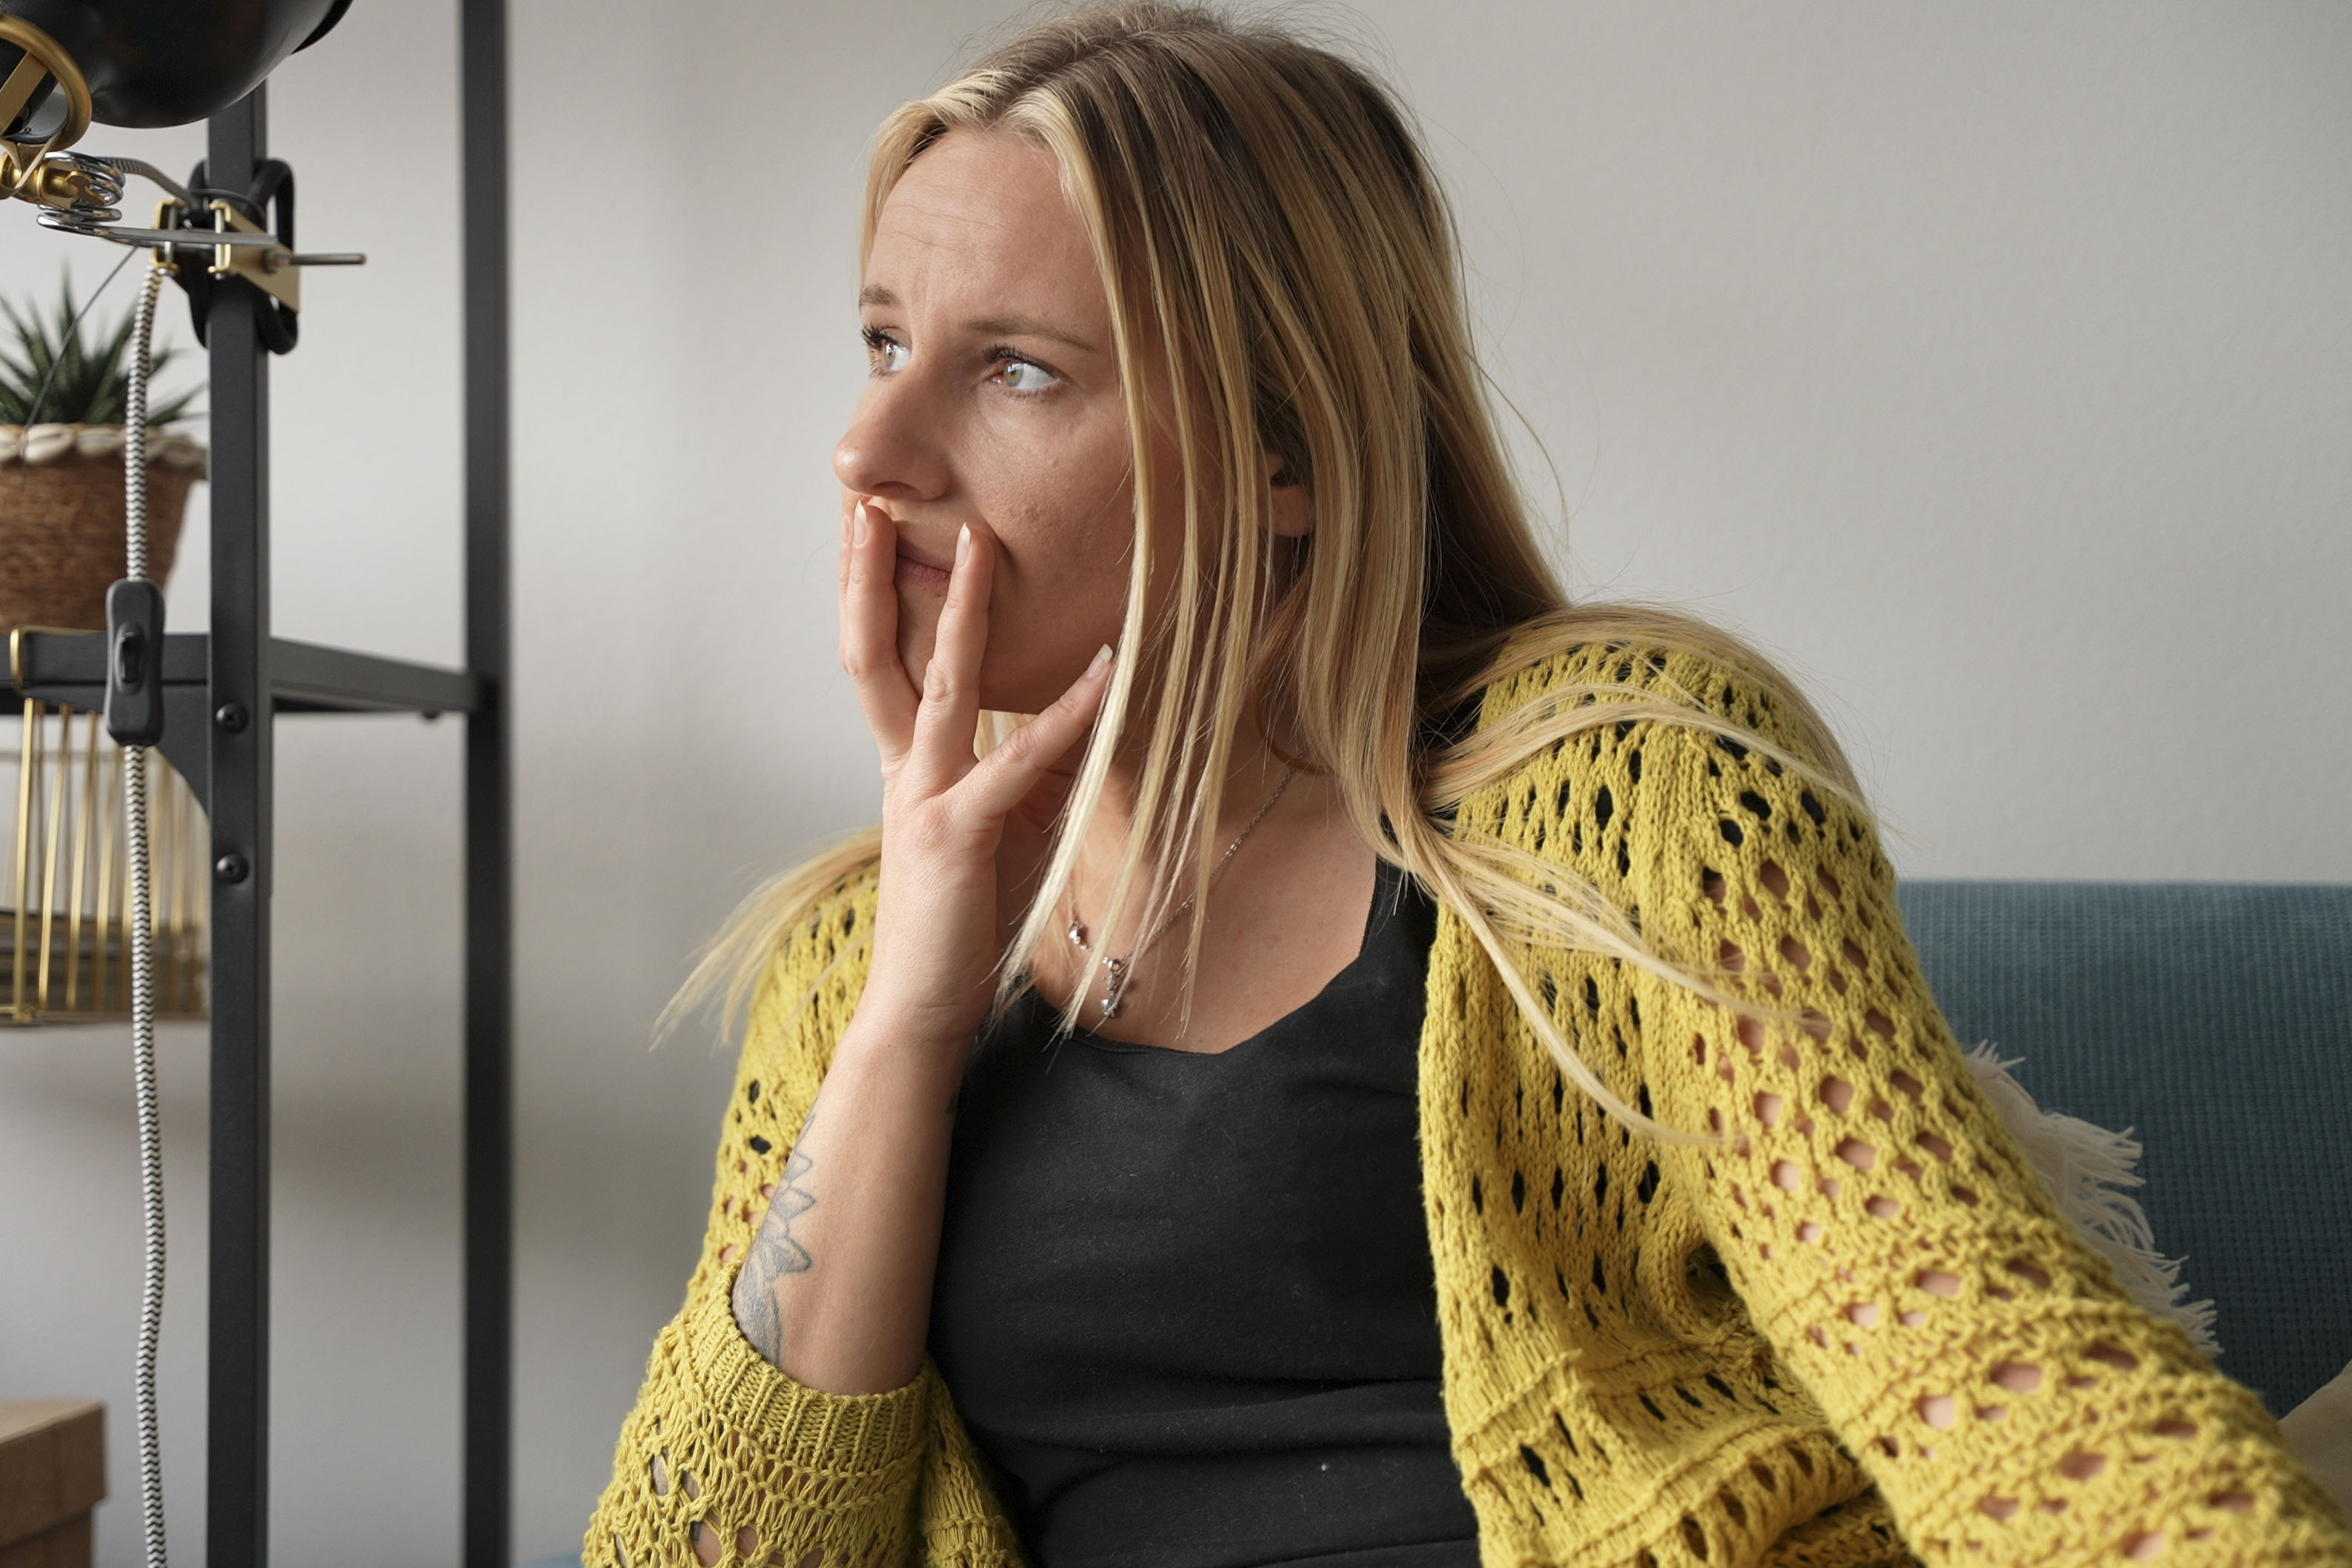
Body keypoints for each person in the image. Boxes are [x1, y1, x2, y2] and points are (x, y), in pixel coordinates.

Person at [586, 6, 2352, 1565]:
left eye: (1016, 369)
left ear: (1285, 448)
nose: (867, 451)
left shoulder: (1640, 783)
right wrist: (910, 1000)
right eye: (886, 342)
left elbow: (1968, 1338)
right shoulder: (850, 956)